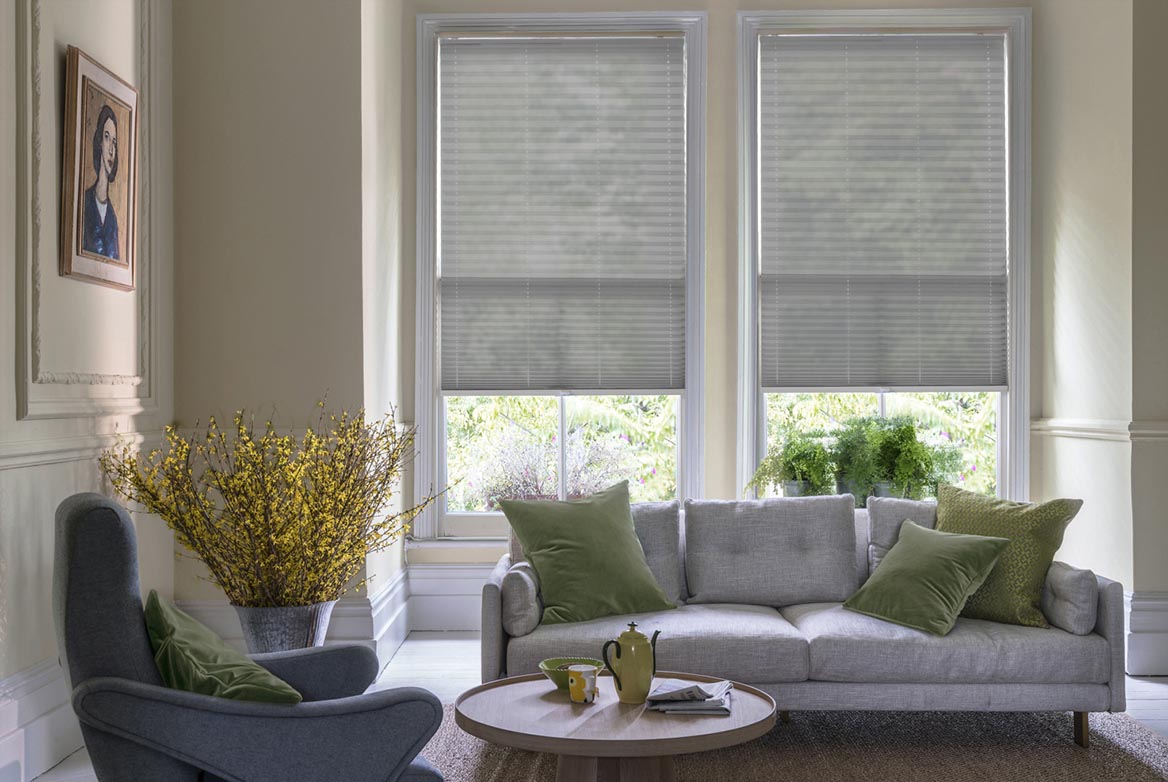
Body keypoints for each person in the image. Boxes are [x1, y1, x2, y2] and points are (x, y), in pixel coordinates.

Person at [82, 104, 120, 260]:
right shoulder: (85, 203)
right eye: (107, 137)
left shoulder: (112, 217)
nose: (111, 149)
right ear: (99, 142)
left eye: (115, 142)